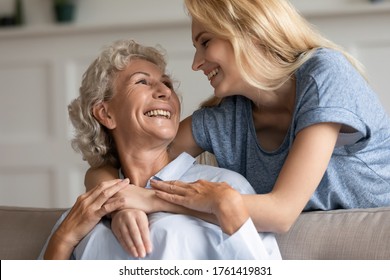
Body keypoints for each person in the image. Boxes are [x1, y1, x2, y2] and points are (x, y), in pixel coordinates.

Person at [86, 0, 390, 244]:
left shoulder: (324, 74)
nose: (195, 63)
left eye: (205, 42)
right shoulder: (226, 120)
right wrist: (121, 206)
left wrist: (151, 200)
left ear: (249, 31)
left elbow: (282, 212)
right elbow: (111, 164)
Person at [39, 38, 281, 260]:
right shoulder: (88, 208)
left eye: (167, 84)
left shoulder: (224, 187)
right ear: (105, 113)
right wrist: (64, 238)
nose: (165, 91)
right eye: (142, 82)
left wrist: (226, 207)